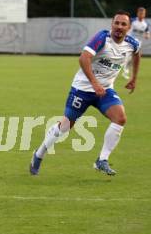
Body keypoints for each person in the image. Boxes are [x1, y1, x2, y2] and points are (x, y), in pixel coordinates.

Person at [30, 11, 141, 176]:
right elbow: (84, 58)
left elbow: (137, 54)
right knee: (65, 127)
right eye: (116, 23)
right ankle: (39, 154)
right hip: (82, 89)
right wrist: (94, 83)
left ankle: (101, 160)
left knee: (120, 118)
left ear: (129, 28)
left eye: (123, 24)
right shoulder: (102, 38)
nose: (119, 27)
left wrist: (133, 77)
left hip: (105, 91)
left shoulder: (133, 43)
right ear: (112, 24)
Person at [123, 7, 149, 79]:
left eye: (143, 13)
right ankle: (125, 70)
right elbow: (126, 27)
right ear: (137, 13)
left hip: (138, 43)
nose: (141, 15)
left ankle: (127, 69)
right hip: (129, 41)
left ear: (144, 14)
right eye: (140, 13)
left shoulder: (145, 24)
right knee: (128, 56)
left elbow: (147, 33)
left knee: (133, 58)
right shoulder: (132, 21)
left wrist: (147, 35)